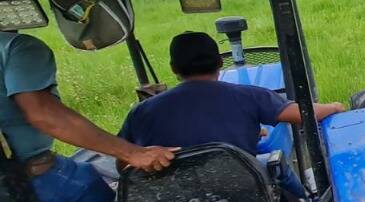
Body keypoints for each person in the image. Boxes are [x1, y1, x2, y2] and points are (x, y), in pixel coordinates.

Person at [1, 31, 175, 202]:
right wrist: (133, 153)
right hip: (27, 176)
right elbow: (42, 113)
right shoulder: (18, 48)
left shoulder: (141, 113)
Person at [119, 31, 345, 157]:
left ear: (174, 68)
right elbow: (304, 113)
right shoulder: (250, 96)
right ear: (220, 62)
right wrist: (333, 107)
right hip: (242, 193)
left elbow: (123, 161)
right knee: (277, 168)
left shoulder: (140, 113)